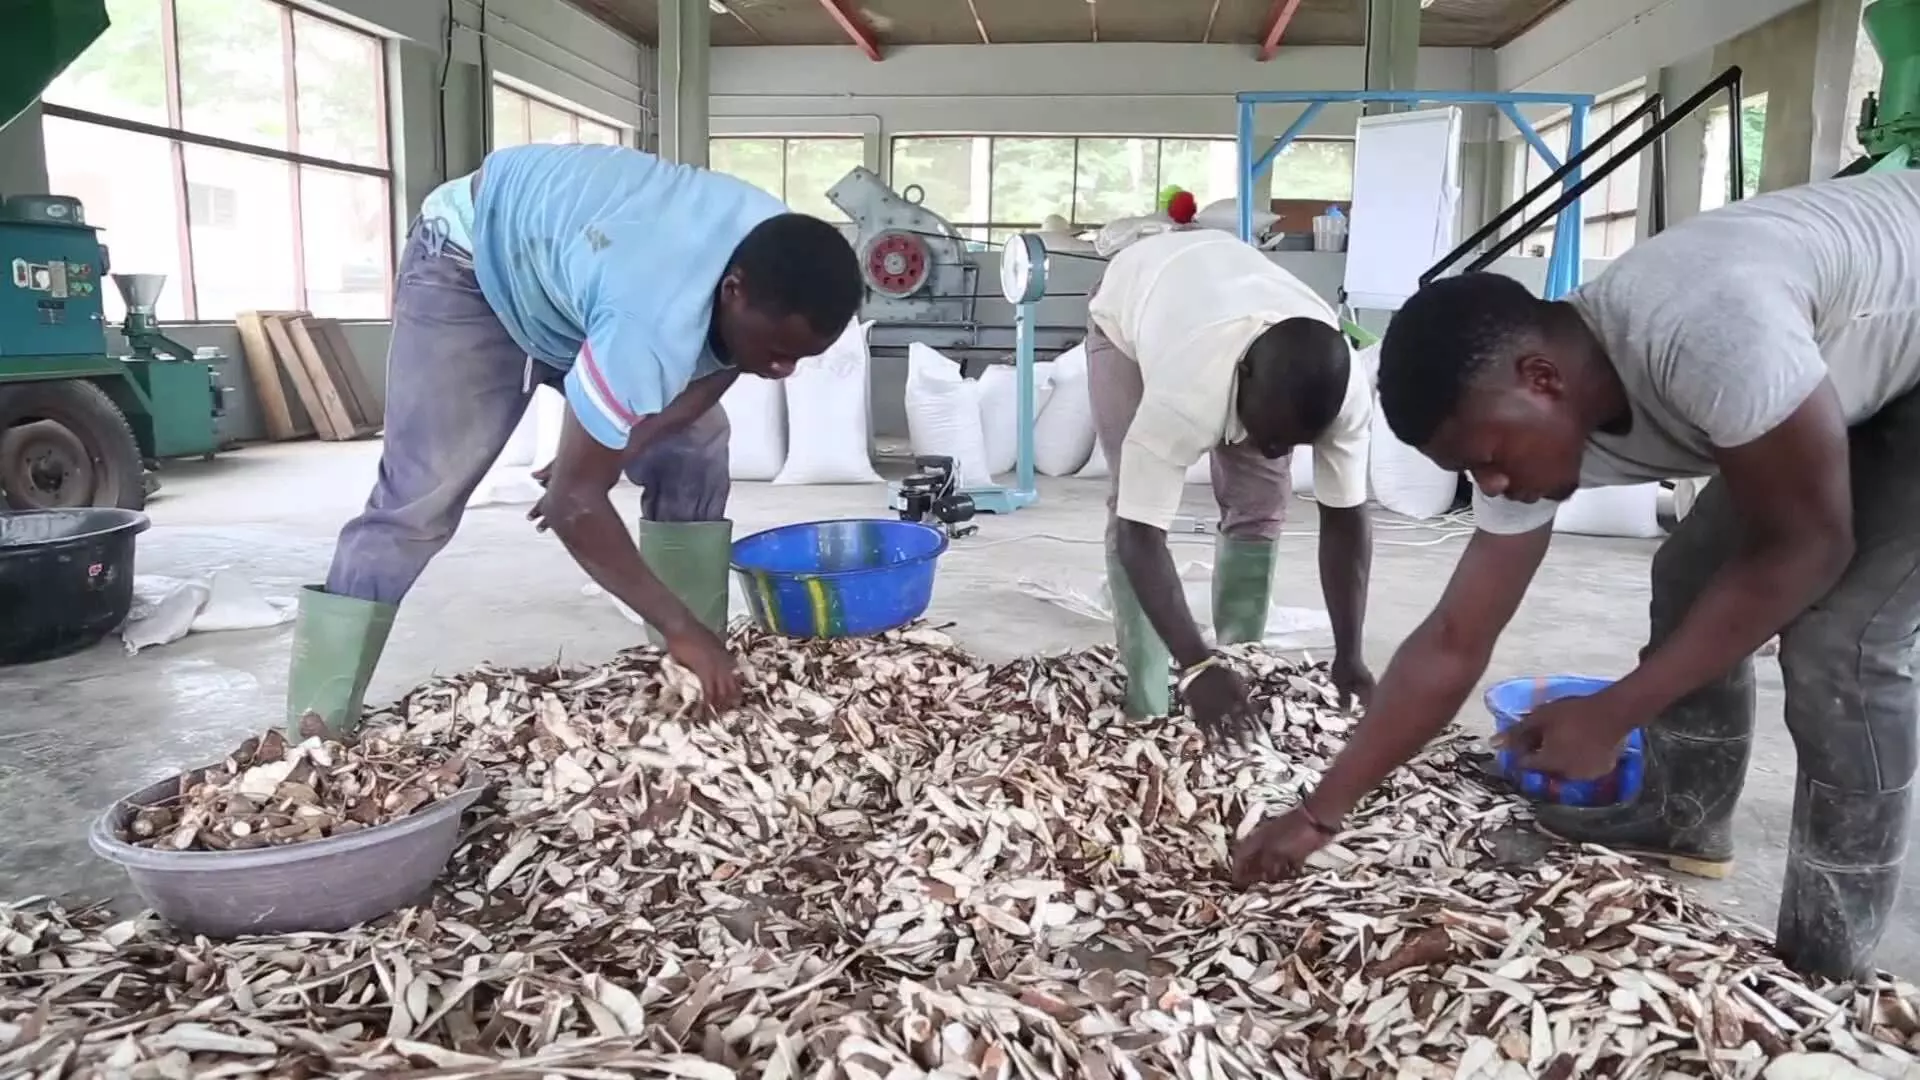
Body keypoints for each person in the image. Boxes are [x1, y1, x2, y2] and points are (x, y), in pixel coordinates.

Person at [1233, 170, 1920, 983]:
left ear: (1542, 379)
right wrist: (1320, 814)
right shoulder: (1532, 420)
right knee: (1692, 578)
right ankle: (1683, 816)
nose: (1487, 487)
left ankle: (1827, 967)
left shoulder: (1708, 333)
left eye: (1487, 461)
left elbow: (1811, 545)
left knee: (1843, 639)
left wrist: (1615, 711)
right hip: (1836, 368)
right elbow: (1456, 637)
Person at [287, 144, 861, 731]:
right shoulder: (653, 320)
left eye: (800, 358)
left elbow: (725, 364)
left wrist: (624, 445)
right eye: (779, 353)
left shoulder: (775, 255)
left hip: (576, 280)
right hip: (471, 262)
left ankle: (693, 668)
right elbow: (572, 506)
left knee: (695, 447)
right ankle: (317, 727)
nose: (782, 371)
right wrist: (587, 476)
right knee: (421, 494)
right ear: (732, 290)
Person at [1085, 229, 1375, 741]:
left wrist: (1349, 652)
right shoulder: (1184, 394)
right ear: (1243, 378)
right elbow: (1139, 532)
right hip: (1131, 308)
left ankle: (1242, 666)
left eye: (1295, 443)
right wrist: (1195, 665)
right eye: (1270, 435)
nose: (1276, 451)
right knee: (1132, 498)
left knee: (1261, 506)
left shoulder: (1344, 393)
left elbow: (1346, 520)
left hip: (1223, 296)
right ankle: (1150, 692)